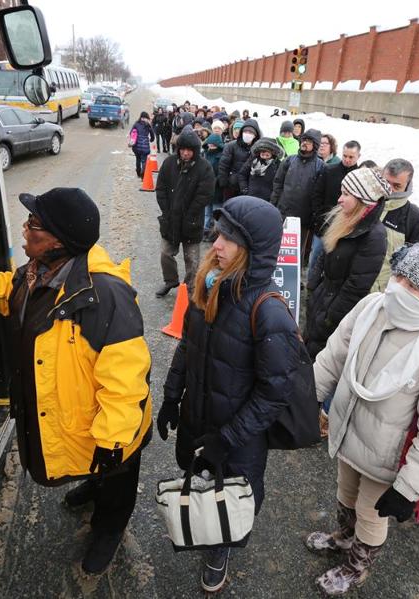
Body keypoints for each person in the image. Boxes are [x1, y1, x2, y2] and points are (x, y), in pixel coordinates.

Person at [0, 188, 151, 576]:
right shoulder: (36, 274)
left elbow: (126, 382)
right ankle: (94, 484)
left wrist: (115, 440)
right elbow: (6, 291)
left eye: (34, 224)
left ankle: (109, 528)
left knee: (116, 476)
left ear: (59, 241)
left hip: (114, 425)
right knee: (94, 466)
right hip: (78, 417)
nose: (25, 228)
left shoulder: (105, 296)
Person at [308, 245, 419, 595]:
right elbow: (333, 357)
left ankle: (356, 566)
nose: (398, 288)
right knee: (345, 493)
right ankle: (344, 537)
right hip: (350, 430)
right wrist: (305, 400)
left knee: (371, 513)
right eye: (399, 276)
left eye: (413, 284)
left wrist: (409, 489)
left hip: (390, 456)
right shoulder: (372, 307)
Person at [158, 195, 301, 593]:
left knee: (231, 496)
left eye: (229, 239)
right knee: (201, 477)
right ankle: (207, 524)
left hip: (236, 438)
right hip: (198, 416)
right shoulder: (208, 286)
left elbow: (275, 394)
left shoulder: (269, 312)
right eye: (218, 234)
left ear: (253, 250)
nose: (215, 244)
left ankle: (220, 546)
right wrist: (171, 397)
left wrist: (227, 439)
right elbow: (188, 345)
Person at [304, 167, 390, 358]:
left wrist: (329, 319)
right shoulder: (345, 218)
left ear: (363, 200)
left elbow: (356, 287)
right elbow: (324, 253)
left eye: (346, 194)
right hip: (320, 300)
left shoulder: (374, 236)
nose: (339, 199)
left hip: (333, 316)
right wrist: (313, 287)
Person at [155, 131, 216, 297]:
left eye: (189, 150)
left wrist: (190, 214)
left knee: (192, 260)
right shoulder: (168, 164)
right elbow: (160, 189)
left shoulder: (204, 168)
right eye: (183, 149)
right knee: (165, 253)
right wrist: (166, 210)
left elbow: (205, 194)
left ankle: (190, 288)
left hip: (192, 221)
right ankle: (170, 281)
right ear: (178, 149)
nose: (186, 153)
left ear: (195, 150)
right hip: (170, 220)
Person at [368, 158, 419, 293]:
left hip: (377, 294)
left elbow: (415, 269)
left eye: (397, 186)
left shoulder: (415, 220)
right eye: (385, 182)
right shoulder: (364, 201)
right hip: (345, 287)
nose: (388, 189)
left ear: (408, 186)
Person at [309, 141, 361, 281]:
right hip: (324, 226)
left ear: (358, 156)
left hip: (347, 229)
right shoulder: (329, 170)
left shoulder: (360, 177)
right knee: (315, 260)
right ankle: (310, 288)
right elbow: (316, 195)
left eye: (351, 157)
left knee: (337, 265)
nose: (347, 160)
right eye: (345, 156)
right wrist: (319, 219)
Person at [271, 128, 324, 253]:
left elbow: (319, 194)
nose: (305, 143)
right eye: (304, 139)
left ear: (315, 145)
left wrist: (313, 215)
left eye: (309, 141)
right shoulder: (289, 160)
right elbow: (277, 183)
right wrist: (274, 204)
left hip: (303, 218)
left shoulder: (320, 166)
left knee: (296, 251)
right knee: (277, 245)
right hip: (283, 212)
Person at [217, 118, 261, 201]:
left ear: (255, 135)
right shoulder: (231, 146)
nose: (247, 134)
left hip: (248, 188)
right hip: (231, 187)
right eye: (245, 132)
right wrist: (224, 184)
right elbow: (223, 166)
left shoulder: (258, 149)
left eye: (251, 132)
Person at [236, 136, 283, 202]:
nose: (265, 155)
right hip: (250, 197)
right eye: (263, 152)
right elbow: (242, 174)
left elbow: (279, 183)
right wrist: (244, 189)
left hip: (267, 200)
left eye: (268, 153)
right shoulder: (252, 160)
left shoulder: (278, 164)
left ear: (273, 152)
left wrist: (273, 198)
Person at [201, 133, 226, 240]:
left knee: (216, 214)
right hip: (207, 190)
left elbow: (222, 173)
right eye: (210, 145)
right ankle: (205, 232)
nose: (211, 147)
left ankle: (216, 234)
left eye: (213, 145)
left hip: (217, 190)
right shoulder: (205, 155)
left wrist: (215, 181)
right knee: (206, 213)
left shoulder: (221, 157)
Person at [129, 112, 155, 178]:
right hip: (145, 146)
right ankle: (143, 175)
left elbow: (131, 133)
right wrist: (151, 140)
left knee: (138, 159)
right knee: (144, 160)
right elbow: (152, 135)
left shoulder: (136, 124)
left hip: (136, 146)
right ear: (146, 118)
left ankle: (138, 172)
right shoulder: (148, 125)